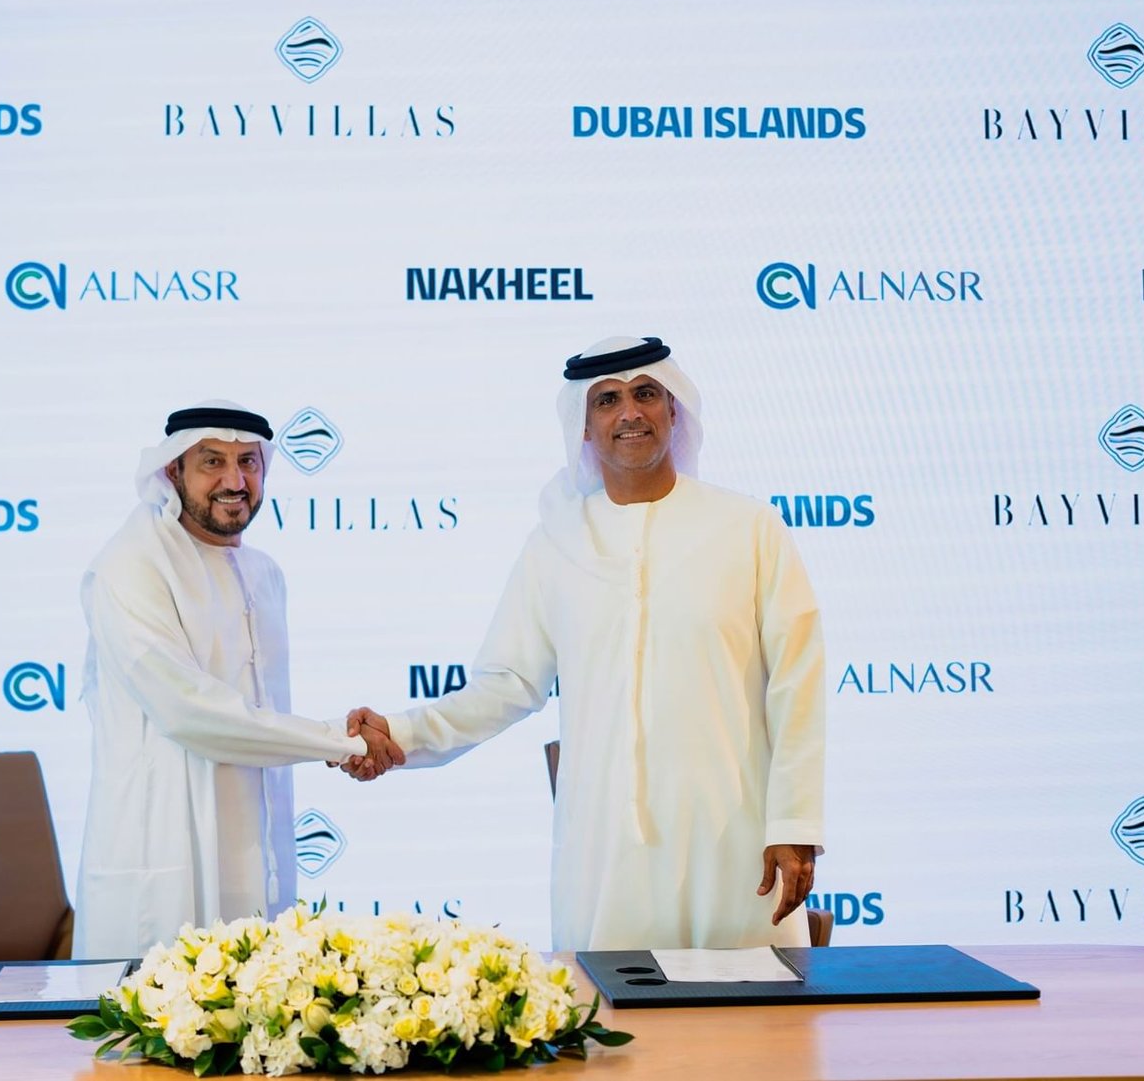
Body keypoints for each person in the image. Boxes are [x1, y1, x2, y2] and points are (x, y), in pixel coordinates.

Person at [346, 338, 825, 951]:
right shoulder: (556, 543)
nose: (630, 413)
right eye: (607, 400)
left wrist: (794, 821)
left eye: (645, 394)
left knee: (752, 1008)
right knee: (610, 1007)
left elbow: (797, 682)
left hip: (735, 840)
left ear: (673, 410)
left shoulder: (748, 528)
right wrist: (402, 733)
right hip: (605, 852)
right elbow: (506, 685)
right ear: (584, 425)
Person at [75, 401, 404, 959]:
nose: (234, 481)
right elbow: (190, 712)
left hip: (255, 848)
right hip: (162, 854)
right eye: (212, 462)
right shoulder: (130, 566)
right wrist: (342, 741)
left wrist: (341, 741)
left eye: (248, 462)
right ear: (173, 470)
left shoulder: (264, 573)